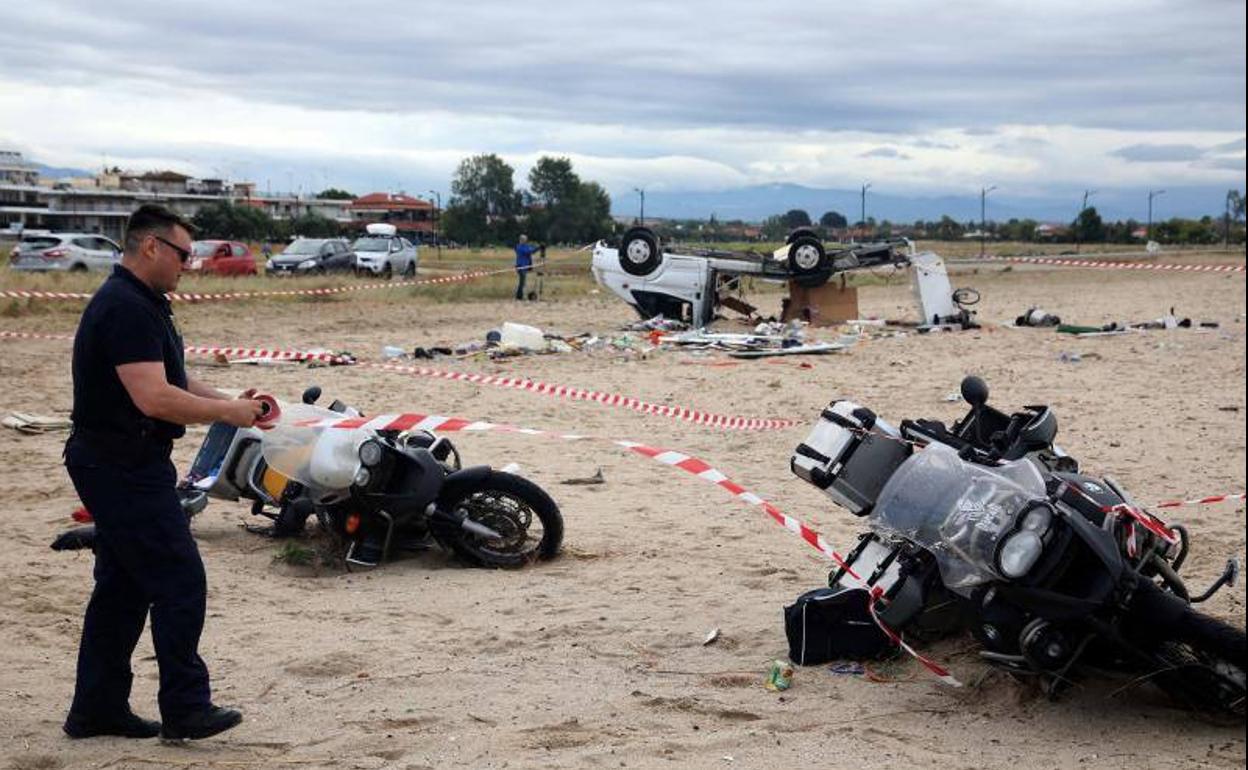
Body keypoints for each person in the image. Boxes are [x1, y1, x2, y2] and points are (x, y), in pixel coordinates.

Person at [62, 204, 264, 743]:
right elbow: (153, 398)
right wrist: (226, 415)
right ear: (151, 246)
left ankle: (97, 709)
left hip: (122, 461)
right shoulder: (126, 306)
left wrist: (231, 402)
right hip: (119, 465)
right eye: (183, 253)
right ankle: (185, 708)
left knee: (123, 589)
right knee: (179, 579)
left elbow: (170, 378)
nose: (188, 265)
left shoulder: (143, 303)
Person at [514, 234, 540, 301]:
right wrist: (537, 248)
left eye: (526, 239)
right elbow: (529, 251)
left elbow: (531, 250)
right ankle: (519, 296)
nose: (525, 241)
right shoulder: (519, 247)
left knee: (523, 282)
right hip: (521, 266)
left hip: (526, 266)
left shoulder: (526, 246)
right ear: (521, 240)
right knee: (522, 282)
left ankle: (520, 296)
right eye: (524, 239)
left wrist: (537, 247)